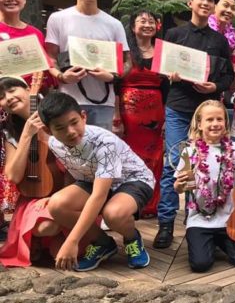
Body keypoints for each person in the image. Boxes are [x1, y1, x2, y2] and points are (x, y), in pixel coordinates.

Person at [155, 0, 233, 249]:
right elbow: (162, 72)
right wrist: (170, 74)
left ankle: (193, 220)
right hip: (178, 108)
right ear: (190, 2)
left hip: (208, 113)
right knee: (176, 164)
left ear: (214, 7)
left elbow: (229, 77)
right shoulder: (174, 35)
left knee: (206, 164)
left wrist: (215, 86)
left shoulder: (219, 41)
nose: (205, 3)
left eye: (210, 0)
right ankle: (165, 224)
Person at [38, 92, 154, 271]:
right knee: (57, 205)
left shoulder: (104, 142)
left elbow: (98, 196)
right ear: (48, 130)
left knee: (114, 214)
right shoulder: (54, 143)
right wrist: (64, 196)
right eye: (60, 127)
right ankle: (102, 243)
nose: (70, 132)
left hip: (132, 179)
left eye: (74, 122)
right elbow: (73, 171)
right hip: (93, 180)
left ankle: (132, 238)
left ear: (83, 117)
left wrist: (72, 241)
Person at [44, 0, 130, 131]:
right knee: (71, 153)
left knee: (100, 153)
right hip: (68, 101)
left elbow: (127, 61)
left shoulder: (114, 24)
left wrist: (113, 77)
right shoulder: (58, 18)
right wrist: (62, 76)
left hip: (105, 102)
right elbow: (50, 56)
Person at [173, 100, 235, 272]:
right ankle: (206, 240)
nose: (215, 124)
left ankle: (219, 240)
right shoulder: (190, 151)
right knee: (200, 264)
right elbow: (181, 187)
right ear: (200, 124)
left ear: (226, 122)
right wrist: (179, 185)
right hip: (200, 219)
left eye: (219, 119)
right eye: (209, 120)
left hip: (229, 219)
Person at [0, 0, 55, 224]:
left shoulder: (34, 33)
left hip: (27, 105)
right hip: (3, 103)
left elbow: (42, 71)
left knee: (25, 155)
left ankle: (16, 214)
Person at [0, 78, 63, 267]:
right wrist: (26, 135)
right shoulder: (10, 132)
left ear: (29, 89)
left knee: (61, 254)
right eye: (1, 97)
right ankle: (41, 237)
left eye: (12, 90)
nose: (8, 98)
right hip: (35, 195)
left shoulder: (57, 111)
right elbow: (13, 176)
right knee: (46, 227)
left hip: (66, 188)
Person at [118, 10, 166, 219]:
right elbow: (116, 84)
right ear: (132, 27)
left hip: (156, 110)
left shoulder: (163, 52)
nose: (147, 24)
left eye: (151, 21)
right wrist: (115, 114)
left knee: (155, 157)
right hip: (129, 111)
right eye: (141, 21)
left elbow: (168, 88)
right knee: (130, 156)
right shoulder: (125, 52)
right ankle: (129, 202)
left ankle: (151, 205)